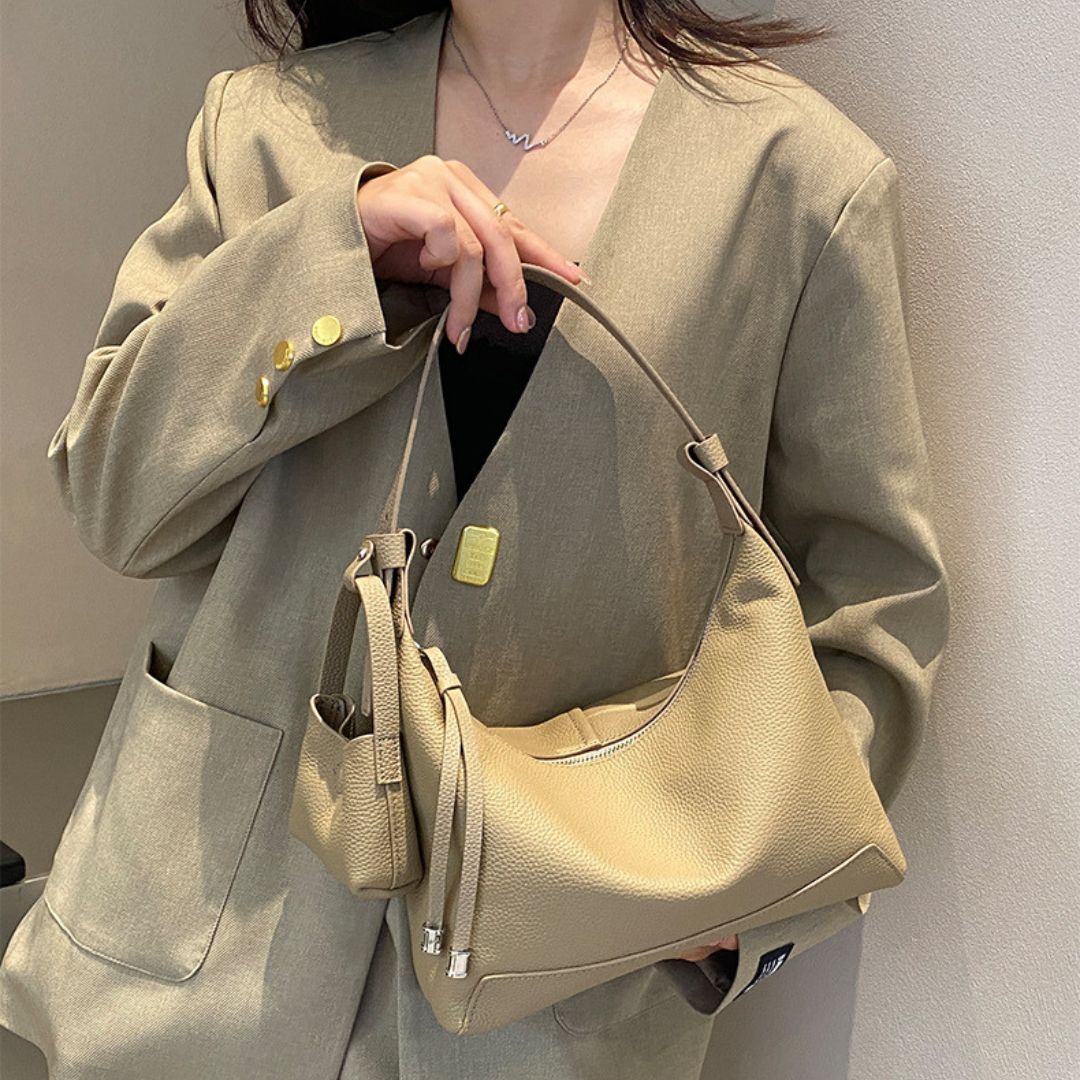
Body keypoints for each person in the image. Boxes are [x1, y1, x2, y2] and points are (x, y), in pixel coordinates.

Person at [0, 2, 951, 1078]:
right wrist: (329, 262)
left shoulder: (799, 182)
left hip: (550, 1006)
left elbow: (875, 600)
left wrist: (737, 894)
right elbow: (115, 497)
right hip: (202, 952)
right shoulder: (268, 127)